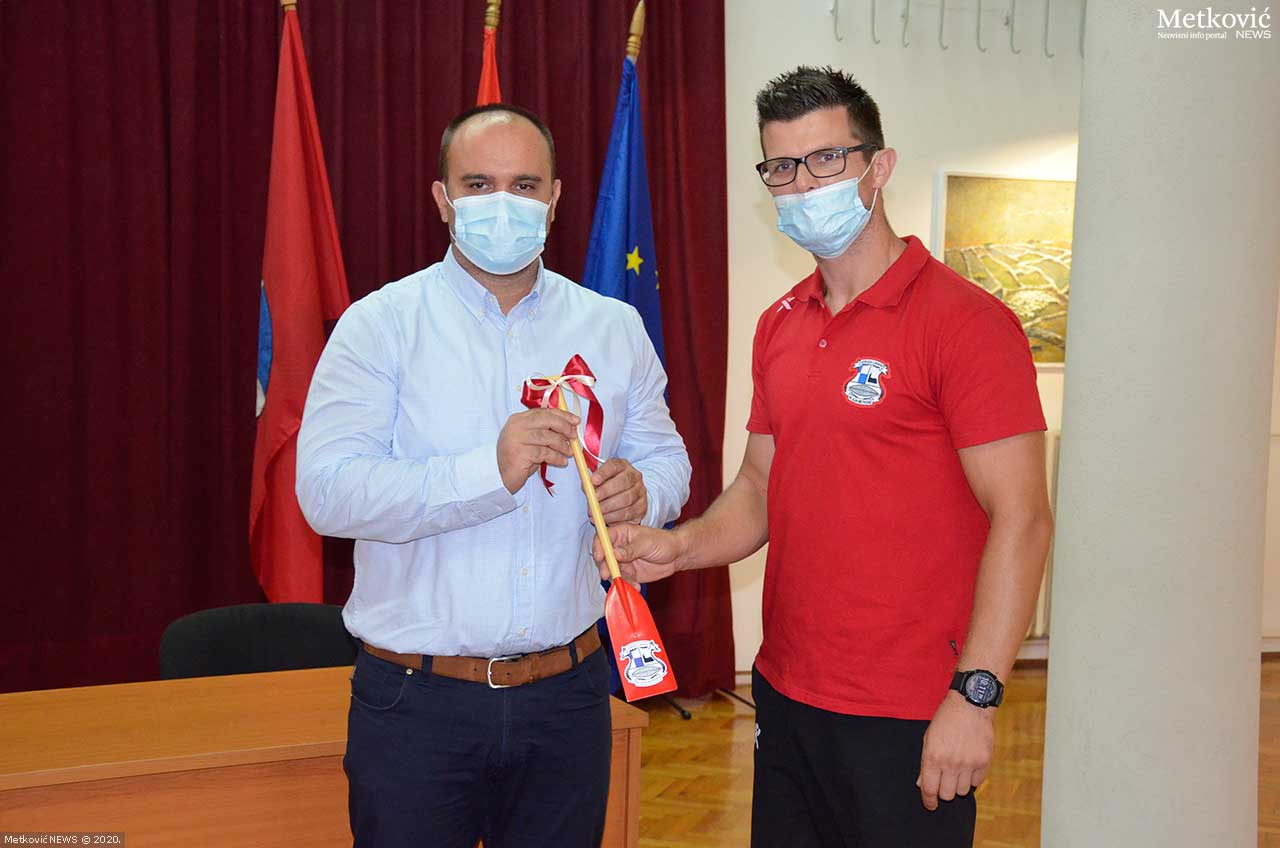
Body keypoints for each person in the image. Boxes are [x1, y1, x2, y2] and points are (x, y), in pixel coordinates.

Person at [595, 66, 1054, 847]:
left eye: (826, 159)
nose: (803, 185)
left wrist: (975, 698)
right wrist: (679, 547)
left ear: (879, 166)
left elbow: (1025, 519)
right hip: (787, 693)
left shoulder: (965, 323)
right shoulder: (781, 323)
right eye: (782, 167)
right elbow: (758, 487)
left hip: (911, 710)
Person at [296, 103, 691, 848]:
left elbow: (670, 459)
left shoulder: (612, 326)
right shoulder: (379, 325)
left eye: (524, 185)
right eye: (479, 184)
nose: (502, 205)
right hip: (417, 702)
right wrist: (490, 470)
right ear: (443, 199)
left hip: (569, 697)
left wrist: (646, 489)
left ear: (555, 199)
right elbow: (327, 492)